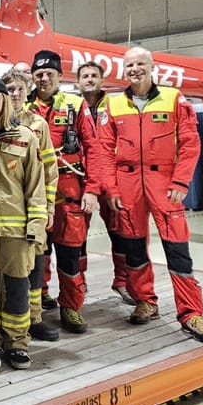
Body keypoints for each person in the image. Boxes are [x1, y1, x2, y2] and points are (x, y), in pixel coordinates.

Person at [100, 47, 203, 343]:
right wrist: (112, 188)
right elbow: (103, 151)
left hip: (164, 182)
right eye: (129, 65)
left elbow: (190, 144)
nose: (135, 69)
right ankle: (146, 301)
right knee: (134, 248)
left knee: (177, 248)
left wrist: (180, 182)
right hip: (127, 183)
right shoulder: (113, 104)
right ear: (124, 70)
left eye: (140, 63)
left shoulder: (174, 98)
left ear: (152, 67)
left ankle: (191, 313)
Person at [27, 49, 111, 335]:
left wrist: (92, 190)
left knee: (70, 255)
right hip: (34, 195)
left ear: (59, 76)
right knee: (36, 254)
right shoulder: (23, 107)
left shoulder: (75, 106)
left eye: (49, 73)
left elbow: (94, 149)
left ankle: (71, 308)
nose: (44, 78)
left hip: (70, 194)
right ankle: (35, 304)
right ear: (32, 77)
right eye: (39, 74)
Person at [0, 76, 47, 370]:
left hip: (18, 230)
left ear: (5, 100)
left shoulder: (26, 137)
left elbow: (36, 186)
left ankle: (17, 342)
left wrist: (36, 227)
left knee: (18, 286)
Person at [3, 69, 60, 342]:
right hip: (5, 210)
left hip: (33, 209)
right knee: (8, 271)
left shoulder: (39, 125)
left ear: (28, 92)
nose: (14, 94)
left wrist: (48, 206)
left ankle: (34, 318)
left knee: (36, 265)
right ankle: (8, 322)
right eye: (9, 89)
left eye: (19, 89)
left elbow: (50, 168)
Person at [77, 60, 134, 305]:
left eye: (93, 76)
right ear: (77, 81)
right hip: (82, 178)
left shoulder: (116, 105)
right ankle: (78, 281)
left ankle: (122, 281)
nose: (89, 79)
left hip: (112, 179)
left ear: (102, 80)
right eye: (85, 76)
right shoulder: (71, 106)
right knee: (77, 235)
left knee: (119, 231)